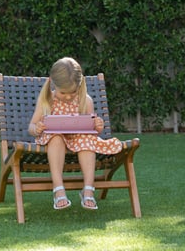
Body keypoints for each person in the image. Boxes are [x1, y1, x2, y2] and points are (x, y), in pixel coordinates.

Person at [28, 57, 123, 210]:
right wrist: (36, 128)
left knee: (86, 140)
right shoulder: (47, 100)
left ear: (80, 85)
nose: (67, 97)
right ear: (53, 83)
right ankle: (58, 189)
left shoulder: (85, 101)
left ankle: (88, 189)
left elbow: (91, 130)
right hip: (54, 142)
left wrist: (97, 126)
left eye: (73, 92)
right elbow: (31, 127)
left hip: (78, 141)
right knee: (56, 137)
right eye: (63, 92)